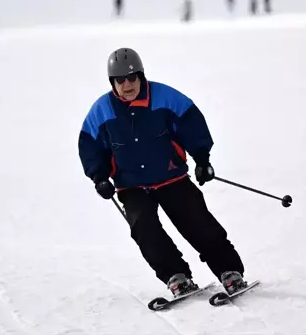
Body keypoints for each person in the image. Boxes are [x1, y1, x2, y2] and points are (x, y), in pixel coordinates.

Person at [78, 48, 247, 298]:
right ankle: (175, 276)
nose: (127, 85)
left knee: (198, 223)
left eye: (132, 78)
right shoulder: (102, 110)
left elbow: (193, 125)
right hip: (131, 185)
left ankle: (230, 272)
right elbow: (90, 145)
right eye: (120, 80)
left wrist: (202, 159)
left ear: (141, 76)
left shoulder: (165, 98)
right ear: (112, 82)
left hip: (172, 178)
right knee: (144, 230)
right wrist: (99, 177)